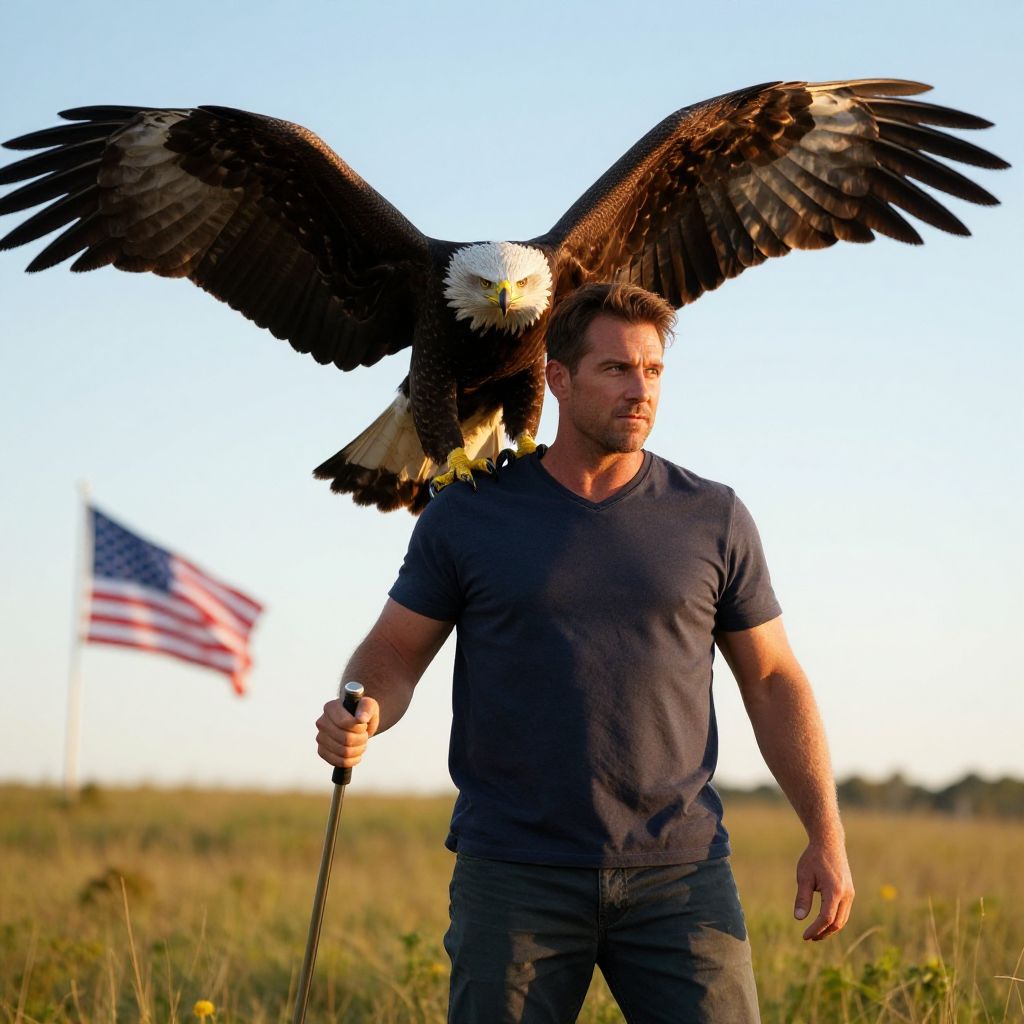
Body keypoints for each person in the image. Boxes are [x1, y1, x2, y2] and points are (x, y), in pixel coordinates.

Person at [316, 282, 855, 1023]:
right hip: (514, 875)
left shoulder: (712, 515)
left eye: (654, 371)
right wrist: (364, 707)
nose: (641, 390)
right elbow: (393, 654)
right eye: (617, 370)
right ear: (558, 381)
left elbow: (771, 678)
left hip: (681, 874)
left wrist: (825, 834)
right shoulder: (468, 514)